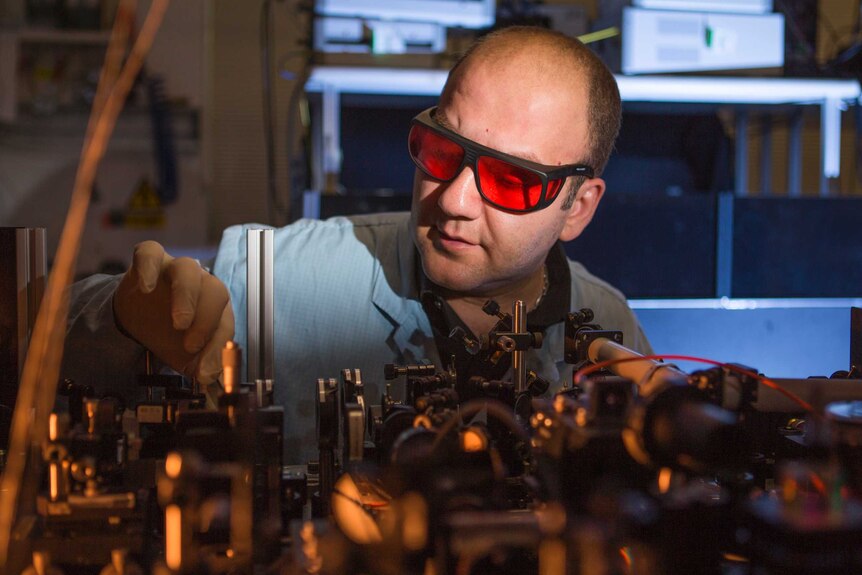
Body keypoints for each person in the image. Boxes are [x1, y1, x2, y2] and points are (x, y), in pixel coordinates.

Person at [63, 26, 651, 464]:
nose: (453, 201)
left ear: (577, 207)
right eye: (442, 152)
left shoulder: (608, 322)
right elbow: (36, 333)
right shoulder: (279, 278)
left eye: (512, 180)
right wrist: (118, 321)